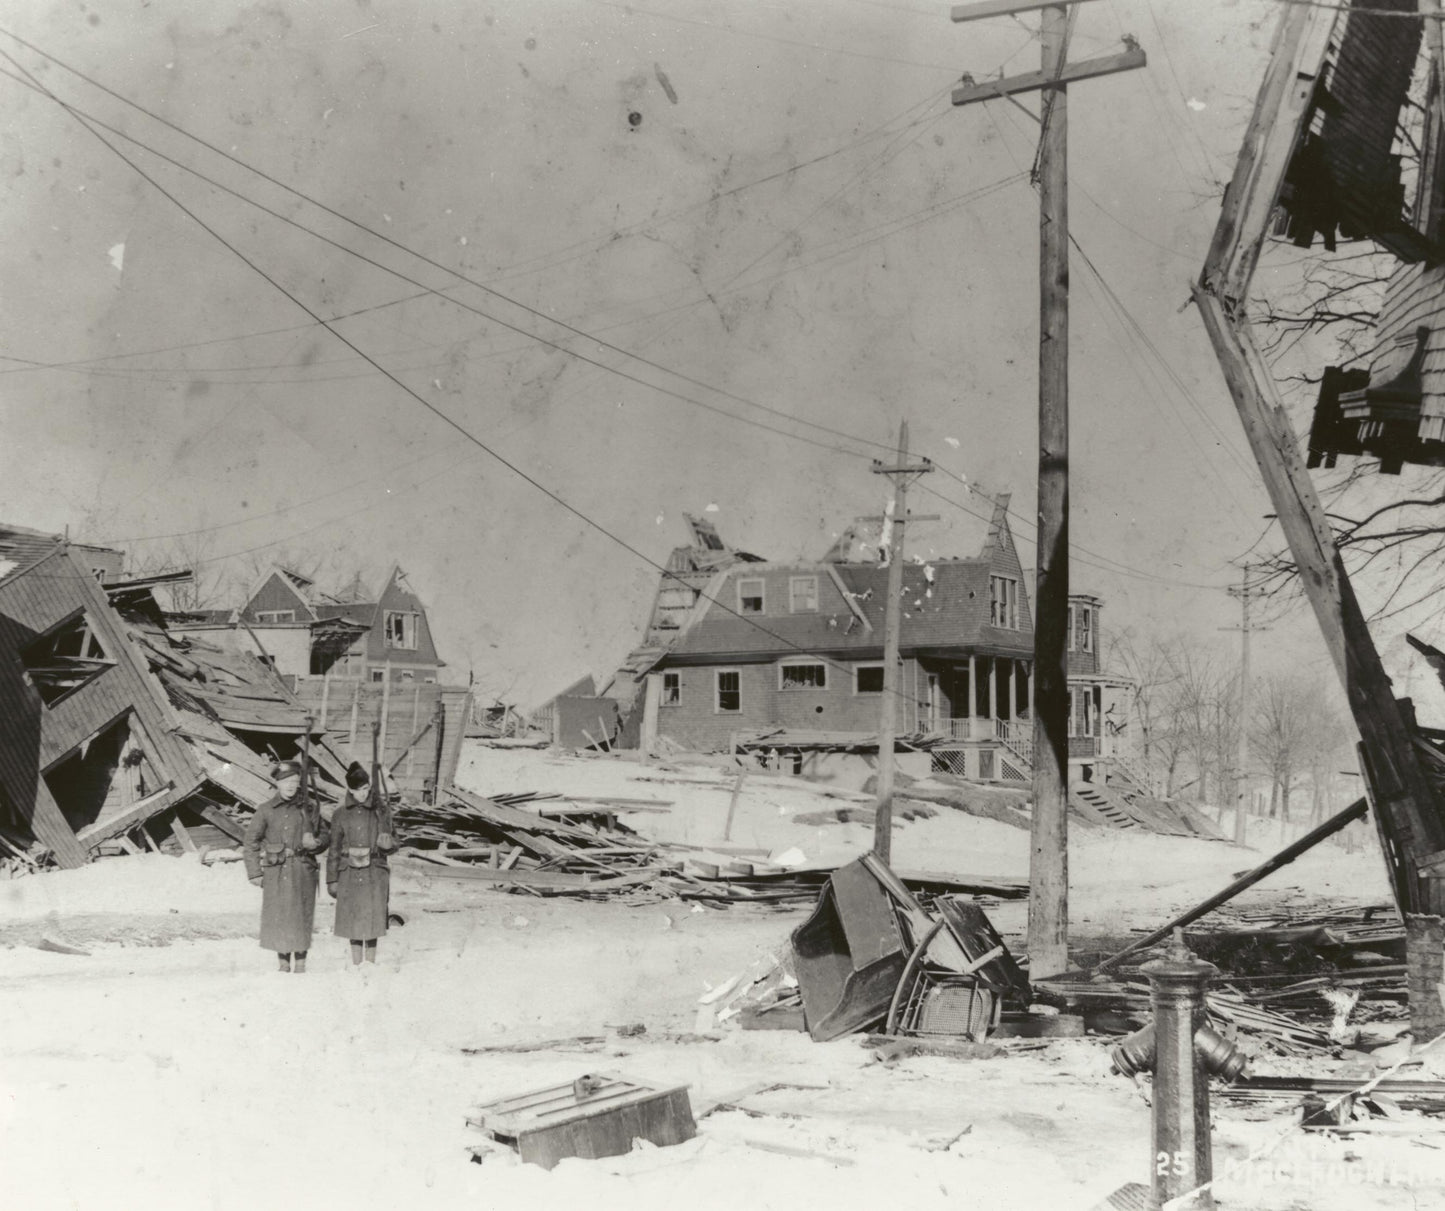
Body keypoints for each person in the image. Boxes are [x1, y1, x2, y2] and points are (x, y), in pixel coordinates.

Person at [242, 759, 330, 973]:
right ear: (277, 784)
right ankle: (283, 962)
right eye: (286, 781)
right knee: (280, 914)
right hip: (276, 870)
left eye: (295, 781)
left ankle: (300, 961)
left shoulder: (309, 808)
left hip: (303, 868)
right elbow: (250, 842)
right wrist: (254, 873)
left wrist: (316, 843)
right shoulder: (266, 810)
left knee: (301, 914)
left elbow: (326, 835)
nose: (291, 785)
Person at [326, 761, 397, 966]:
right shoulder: (340, 814)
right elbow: (334, 849)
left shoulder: (381, 812)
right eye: (358, 790)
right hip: (349, 871)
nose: (363, 794)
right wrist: (332, 879)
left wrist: (388, 845)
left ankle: (371, 964)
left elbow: (396, 841)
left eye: (366, 789)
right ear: (350, 790)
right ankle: (357, 964)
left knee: (373, 917)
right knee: (353, 917)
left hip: (375, 871)